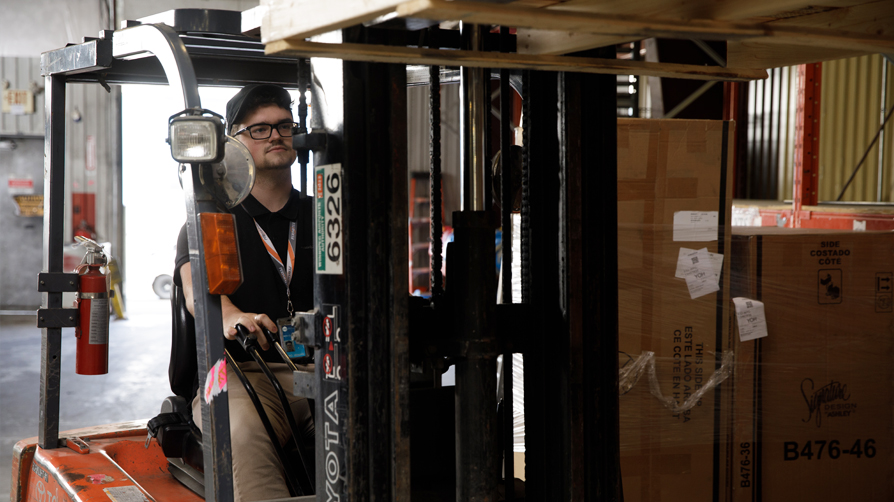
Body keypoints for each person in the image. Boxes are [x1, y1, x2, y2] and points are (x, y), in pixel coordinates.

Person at [173, 84, 314, 501]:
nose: (275, 135)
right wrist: (233, 316)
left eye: (285, 126)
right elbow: (199, 293)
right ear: (233, 142)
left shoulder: (325, 212)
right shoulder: (213, 220)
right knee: (245, 433)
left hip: (323, 368)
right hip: (239, 372)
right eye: (260, 129)